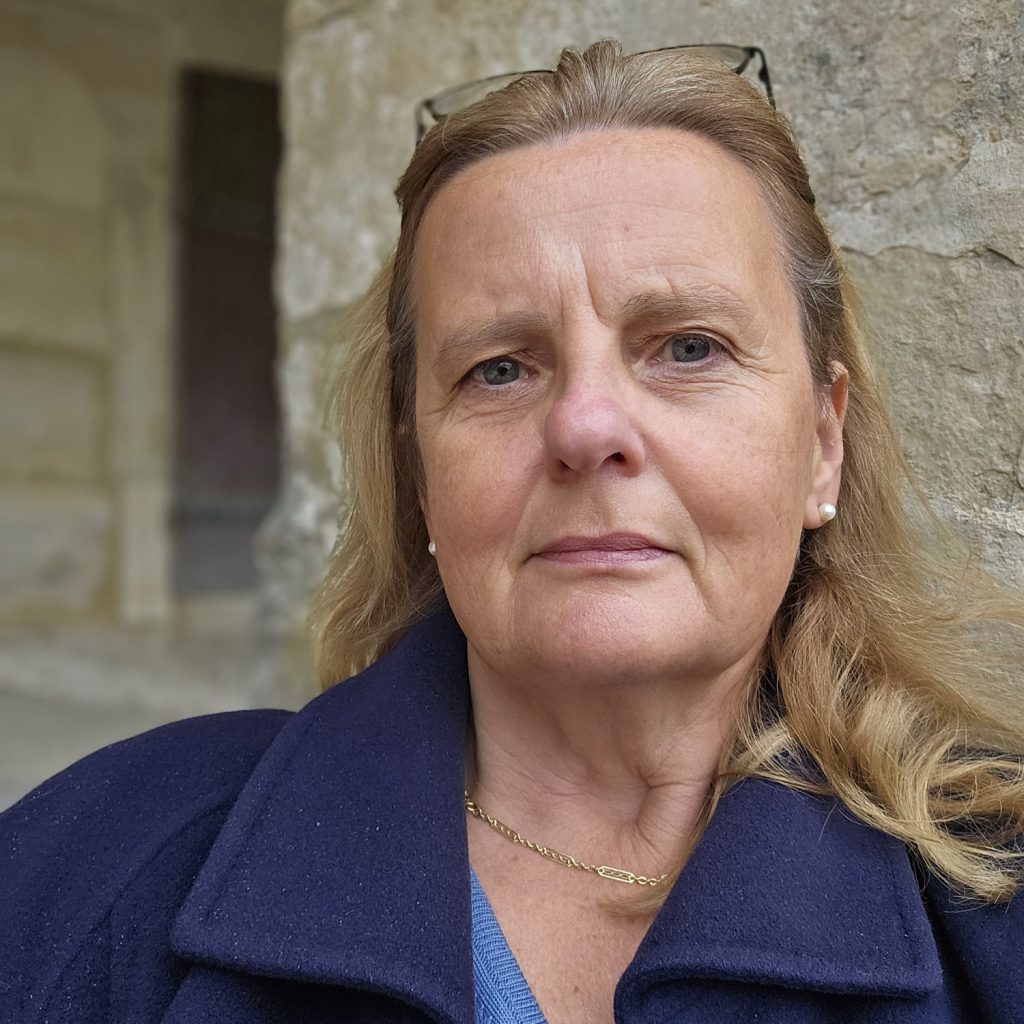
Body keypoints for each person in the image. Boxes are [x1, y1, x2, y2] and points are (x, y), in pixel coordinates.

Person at [2, 39, 1023, 1024]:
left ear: (821, 444)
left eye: (687, 347)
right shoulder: (95, 871)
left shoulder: (994, 904)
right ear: (418, 471)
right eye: (499, 369)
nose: (584, 426)